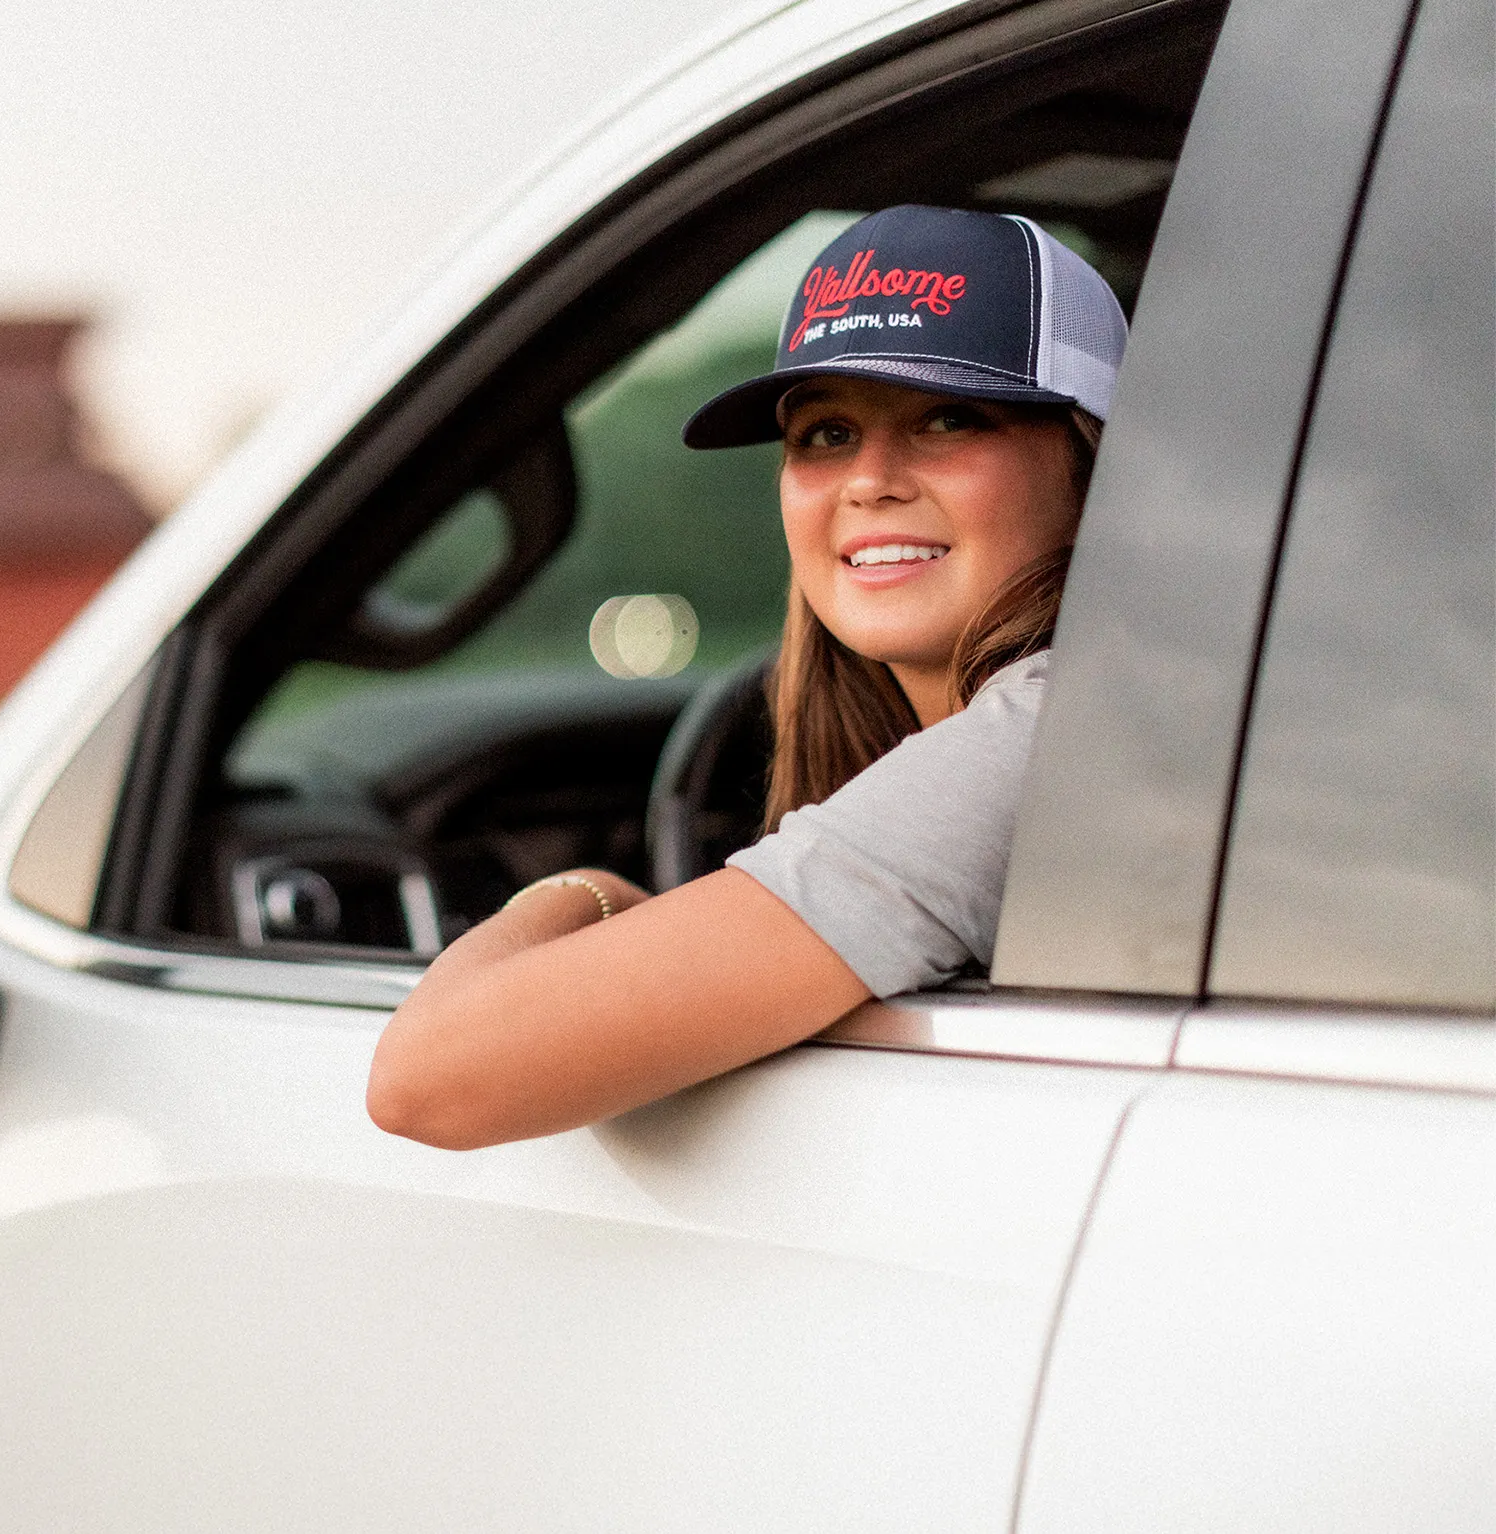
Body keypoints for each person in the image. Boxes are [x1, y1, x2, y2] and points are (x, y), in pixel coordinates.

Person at [368, 204, 1126, 1150]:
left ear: (1093, 465)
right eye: (825, 434)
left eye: (949, 416)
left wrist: (590, 892)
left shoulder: (1053, 736)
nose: (869, 479)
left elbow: (428, 1083)